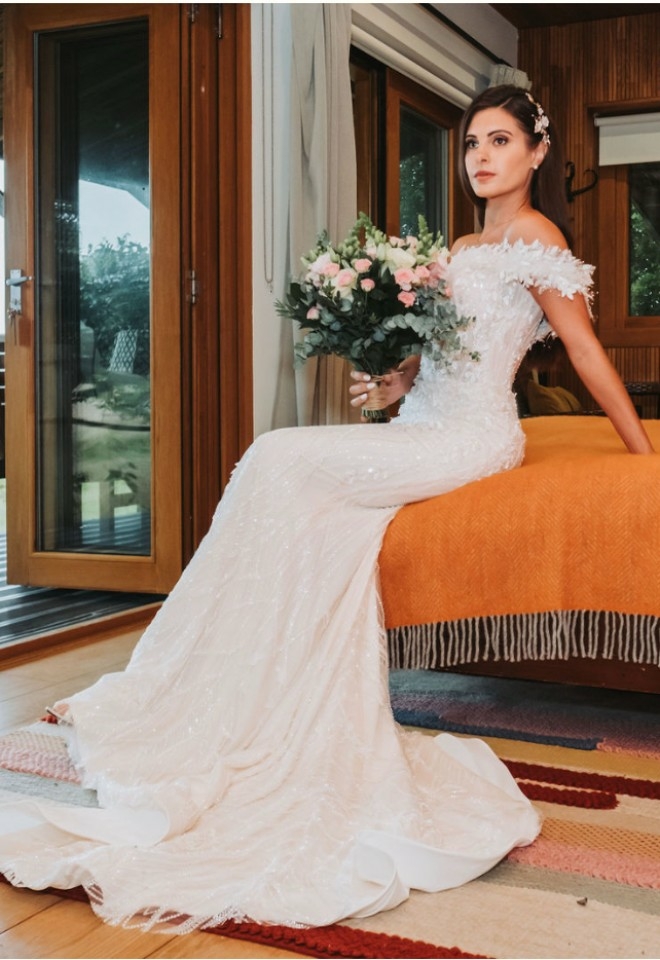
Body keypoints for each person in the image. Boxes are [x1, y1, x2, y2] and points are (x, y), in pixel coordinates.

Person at [0, 86, 653, 934]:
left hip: (476, 435)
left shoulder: (539, 239)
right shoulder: (457, 246)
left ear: (535, 155)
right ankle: (239, 680)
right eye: (470, 145)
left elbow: (583, 347)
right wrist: (391, 382)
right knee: (293, 477)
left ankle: (244, 684)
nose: (480, 158)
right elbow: (434, 358)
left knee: (279, 456)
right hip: (422, 417)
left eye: (499, 141)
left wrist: (644, 452)